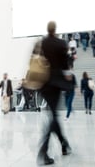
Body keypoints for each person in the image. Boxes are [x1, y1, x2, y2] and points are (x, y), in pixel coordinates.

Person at [37, 21, 71, 165]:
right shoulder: (61, 43)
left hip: (43, 82)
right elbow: (65, 63)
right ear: (55, 29)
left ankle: (64, 143)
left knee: (53, 114)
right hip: (56, 82)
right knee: (53, 116)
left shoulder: (42, 42)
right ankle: (43, 151)